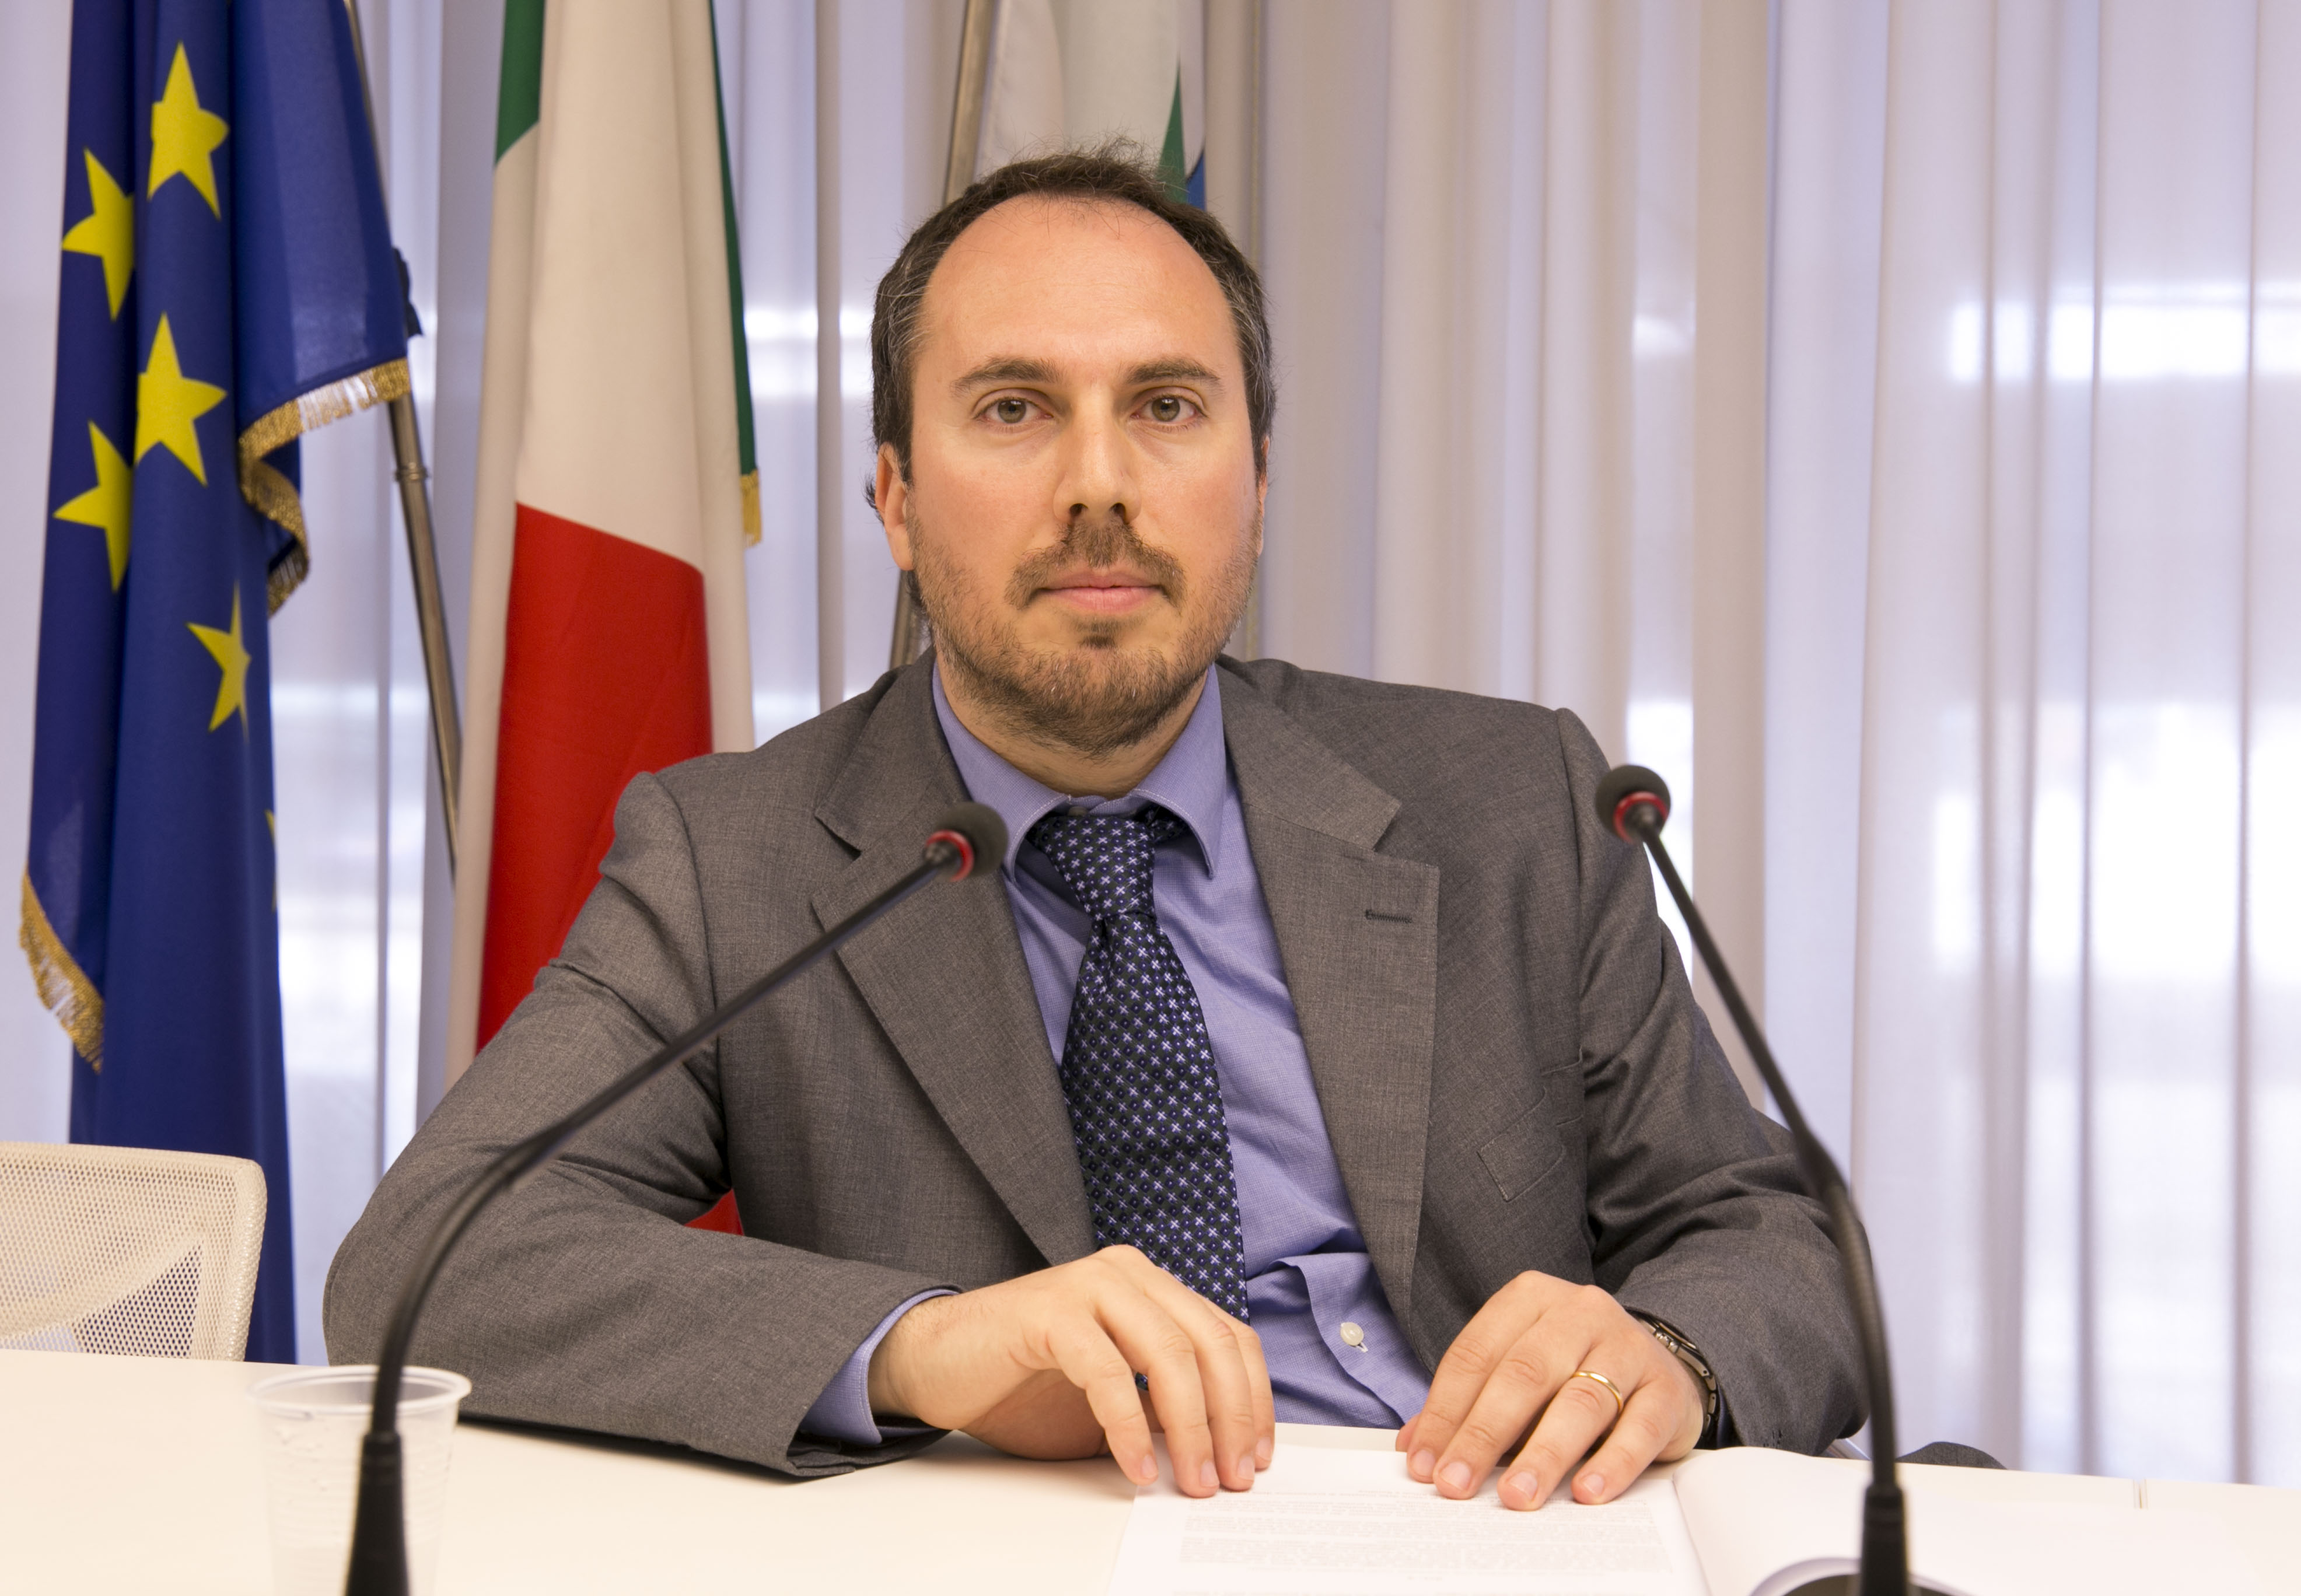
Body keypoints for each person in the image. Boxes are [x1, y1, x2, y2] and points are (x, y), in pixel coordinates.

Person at [327, 148, 1862, 1510]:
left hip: (1481, 1533)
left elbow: (1775, 1244)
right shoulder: (738, 858)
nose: (1099, 486)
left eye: (1167, 408)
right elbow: (431, 1258)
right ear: (895, 499)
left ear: (1257, 481)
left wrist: (1669, 1353)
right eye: (1014, 409)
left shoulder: (1516, 799)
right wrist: (922, 1347)